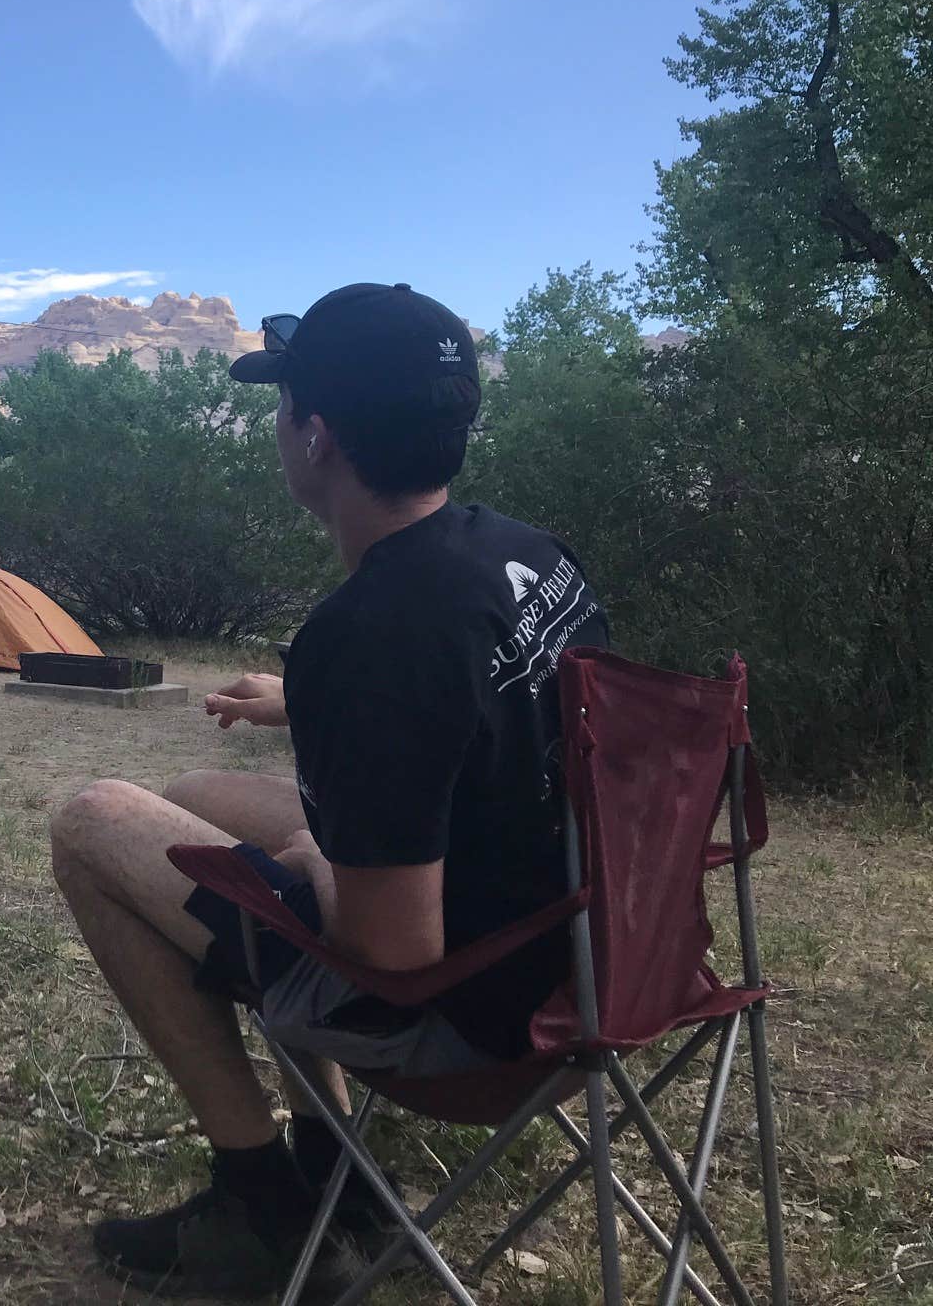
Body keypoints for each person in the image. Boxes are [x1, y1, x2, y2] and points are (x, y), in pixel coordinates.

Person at [50, 282, 609, 1297]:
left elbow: (394, 948)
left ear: (315, 439)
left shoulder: (369, 637)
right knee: (193, 793)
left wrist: (303, 861)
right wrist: (308, 712)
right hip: (593, 960)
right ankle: (335, 1164)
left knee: (94, 824)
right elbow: (489, 720)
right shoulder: (526, 554)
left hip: (478, 1027)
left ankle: (259, 1199)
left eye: (283, 408)